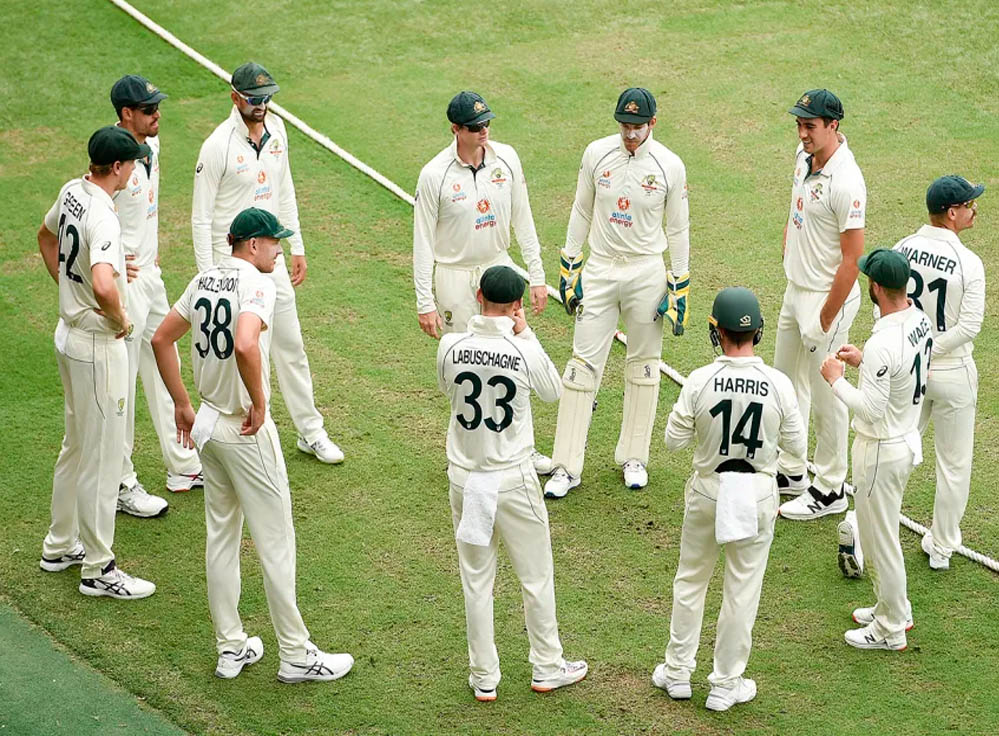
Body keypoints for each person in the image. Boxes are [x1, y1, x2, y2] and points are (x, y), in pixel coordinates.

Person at [152, 208, 354, 682]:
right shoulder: (258, 284)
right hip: (244, 428)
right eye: (274, 242)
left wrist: (181, 403)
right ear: (253, 244)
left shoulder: (204, 279)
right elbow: (245, 344)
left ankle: (231, 648)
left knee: (221, 537)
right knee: (276, 541)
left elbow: (161, 339)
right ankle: (297, 655)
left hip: (207, 424)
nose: (279, 250)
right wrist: (260, 402)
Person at [437, 265, 587, 701]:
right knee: (535, 577)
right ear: (518, 305)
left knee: (476, 580)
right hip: (512, 479)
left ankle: (484, 676)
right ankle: (547, 666)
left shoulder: (449, 346)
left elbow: (448, 388)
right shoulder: (521, 351)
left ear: (478, 296)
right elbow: (552, 391)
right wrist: (525, 334)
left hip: (466, 479)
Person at [653, 287, 805, 711]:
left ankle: (677, 672)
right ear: (757, 332)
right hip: (756, 493)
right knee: (742, 591)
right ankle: (725, 684)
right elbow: (797, 446)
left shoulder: (700, 380)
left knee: (690, 581)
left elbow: (672, 440)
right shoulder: (778, 384)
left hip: (708, 489)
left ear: (717, 332)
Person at [192, 61, 344, 464]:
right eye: (254, 98)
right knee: (247, 350)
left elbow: (284, 188)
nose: (261, 105)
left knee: (291, 345)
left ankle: (311, 432)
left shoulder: (278, 131)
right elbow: (201, 217)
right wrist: (208, 276)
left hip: (270, 262)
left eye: (266, 98)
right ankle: (251, 431)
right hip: (232, 267)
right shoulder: (217, 146)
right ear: (235, 98)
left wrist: (297, 245)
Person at [544, 87, 690, 498]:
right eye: (624, 125)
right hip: (601, 268)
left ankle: (634, 457)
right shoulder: (597, 153)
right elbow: (581, 209)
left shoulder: (669, 165)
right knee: (580, 366)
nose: (630, 134)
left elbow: (678, 227)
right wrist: (570, 262)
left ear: (653, 124)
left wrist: (679, 285)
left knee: (644, 365)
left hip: (646, 271)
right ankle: (565, 466)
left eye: (637, 126)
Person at [37, 126, 156, 599]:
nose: (134, 172)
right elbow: (105, 285)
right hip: (95, 346)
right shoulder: (105, 217)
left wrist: (73, 290)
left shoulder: (72, 190)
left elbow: (47, 237)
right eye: (133, 164)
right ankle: (98, 568)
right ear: (119, 168)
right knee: (103, 459)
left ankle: (59, 545)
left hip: (69, 335)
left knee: (75, 445)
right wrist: (119, 316)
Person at [414, 90, 552, 475]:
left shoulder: (506, 159)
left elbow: (524, 218)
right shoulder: (434, 175)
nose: (484, 131)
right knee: (466, 366)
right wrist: (424, 301)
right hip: (455, 275)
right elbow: (422, 241)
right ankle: (465, 452)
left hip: (498, 266)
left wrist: (537, 276)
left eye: (487, 123)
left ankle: (522, 449)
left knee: (513, 356)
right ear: (455, 129)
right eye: (475, 127)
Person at [820, 249, 932, 651]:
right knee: (884, 535)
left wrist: (836, 380)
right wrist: (865, 362)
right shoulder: (920, 320)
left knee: (879, 540)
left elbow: (870, 408)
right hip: (903, 439)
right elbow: (900, 371)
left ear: (877, 287)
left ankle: (890, 628)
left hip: (881, 449)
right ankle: (894, 608)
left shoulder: (884, 340)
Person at [110, 75, 202, 518]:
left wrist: (151, 249)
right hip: (125, 286)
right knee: (122, 386)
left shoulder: (153, 146)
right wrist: (111, 263)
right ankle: (121, 481)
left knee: (166, 364)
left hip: (152, 277)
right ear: (126, 114)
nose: (157, 115)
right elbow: (91, 211)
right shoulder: (111, 158)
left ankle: (182, 465)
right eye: (148, 110)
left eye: (157, 107)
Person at [774, 89, 866, 521]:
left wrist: (825, 320)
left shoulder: (847, 182)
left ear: (833, 125)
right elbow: (796, 213)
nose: (802, 133)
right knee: (784, 382)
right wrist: (788, 249)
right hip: (795, 290)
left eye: (809, 125)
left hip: (826, 301)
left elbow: (852, 261)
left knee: (827, 395)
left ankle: (830, 489)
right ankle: (791, 468)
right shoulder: (803, 155)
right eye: (799, 124)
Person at [896, 176, 985, 570]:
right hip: (953, 372)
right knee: (954, 465)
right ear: (951, 213)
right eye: (968, 204)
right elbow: (969, 327)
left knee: (894, 450)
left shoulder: (901, 249)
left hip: (908, 368)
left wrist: (915, 345)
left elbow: (883, 307)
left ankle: (865, 528)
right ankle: (942, 547)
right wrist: (932, 347)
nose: (974, 209)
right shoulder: (969, 263)